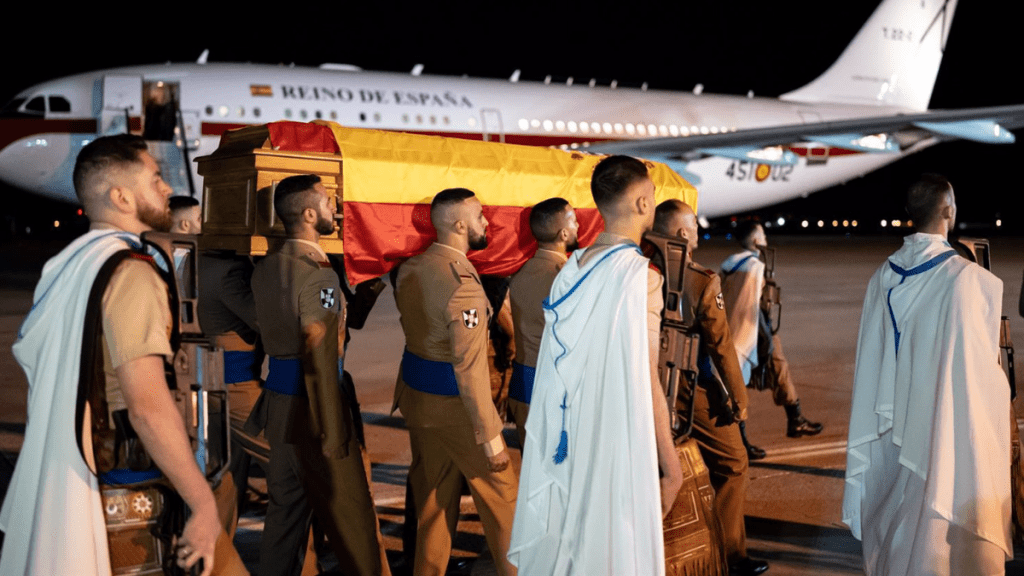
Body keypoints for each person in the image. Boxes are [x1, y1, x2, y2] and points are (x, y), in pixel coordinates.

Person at [0, 134, 244, 576]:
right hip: (127, 478)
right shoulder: (130, 272)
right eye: (155, 178)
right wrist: (203, 504)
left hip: (68, 471)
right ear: (121, 195)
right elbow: (147, 406)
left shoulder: (67, 267)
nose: (167, 188)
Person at [508, 156, 684, 576]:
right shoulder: (641, 277)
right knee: (613, 548)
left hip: (567, 434)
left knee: (572, 548)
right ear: (643, 203)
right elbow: (646, 380)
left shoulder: (572, 268)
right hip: (615, 437)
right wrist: (671, 467)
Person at [843, 174, 1011, 575]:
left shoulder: (883, 276)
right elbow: (977, 375)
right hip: (944, 423)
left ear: (909, 214)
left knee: (899, 516)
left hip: (892, 427)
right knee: (941, 520)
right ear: (949, 211)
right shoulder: (967, 279)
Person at [249, 174, 391, 576]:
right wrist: (333, 431)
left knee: (285, 520)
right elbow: (318, 351)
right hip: (316, 409)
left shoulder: (267, 266)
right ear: (309, 214)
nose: (337, 211)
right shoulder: (317, 273)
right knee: (354, 519)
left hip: (278, 405)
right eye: (329, 203)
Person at [392, 188, 519, 576]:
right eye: (480, 216)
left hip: (418, 400)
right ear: (460, 224)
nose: (486, 223)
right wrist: (491, 436)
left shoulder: (412, 267)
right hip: (458, 410)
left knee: (434, 505)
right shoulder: (462, 282)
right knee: (504, 505)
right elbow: (470, 368)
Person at [652, 199, 769, 576]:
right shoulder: (700, 280)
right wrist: (739, 397)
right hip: (692, 390)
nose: (699, 238)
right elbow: (721, 346)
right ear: (683, 233)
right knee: (734, 464)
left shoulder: (642, 272)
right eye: (695, 231)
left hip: (646, 386)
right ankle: (729, 554)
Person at [719, 221, 822, 460]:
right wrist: (764, 339)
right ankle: (740, 443)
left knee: (779, 367)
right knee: (737, 390)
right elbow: (751, 306)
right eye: (762, 235)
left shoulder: (729, 263)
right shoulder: (754, 267)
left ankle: (795, 419)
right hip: (748, 330)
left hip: (739, 329)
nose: (765, 238)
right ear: (756, 241)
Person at [507, 197, 579, 445]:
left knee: (534, 475)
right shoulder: (566, 280)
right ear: (563, 233)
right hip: (556, 392)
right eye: (575, 221)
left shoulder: (520, 274)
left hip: (523, 387)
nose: (579, 226)